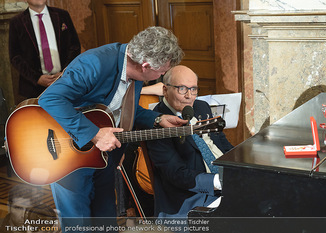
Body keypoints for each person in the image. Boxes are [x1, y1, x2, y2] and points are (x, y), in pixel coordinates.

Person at [38, 26, 186, 232]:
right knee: (76, 224)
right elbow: (50, 98)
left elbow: (119, 109)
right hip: (66, 154)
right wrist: (95, 134)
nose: (161, 76)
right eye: (161, 72)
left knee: (105, 220)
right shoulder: (95, 63)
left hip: (104, 157)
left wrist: (157, 118)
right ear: (145, 65)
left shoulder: (133, 71)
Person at [146, 65, 234, 219]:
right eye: (182, 89)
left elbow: (223, 145)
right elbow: (175, 174)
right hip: (192, 198)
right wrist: (218, 180)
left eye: (193, 89)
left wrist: (242, 169)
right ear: (165, 90)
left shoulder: (202, 106)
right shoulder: (155, 122)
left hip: (227, 183)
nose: (190, 96)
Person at [9, 0, 81, 100]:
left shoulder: (62, 15)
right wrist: (37, 78)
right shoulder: (16, 22)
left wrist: (65, 72)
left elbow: (75, 46)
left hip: (64, 81)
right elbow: (15, 57)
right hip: (34, 87)